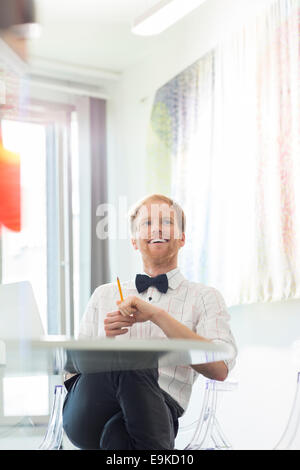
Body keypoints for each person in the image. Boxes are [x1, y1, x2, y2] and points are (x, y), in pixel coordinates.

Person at [62, 194, 237, 450]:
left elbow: (220, 368)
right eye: (146, 224)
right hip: (90, 410)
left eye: (166, 222)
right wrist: (106, 342)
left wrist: (157, 315)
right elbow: (71, 369)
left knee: (119, 436)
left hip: (159, 410)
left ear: (182, 238)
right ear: (134, 240)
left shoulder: (205, 297)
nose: (156, 229)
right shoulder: (104, 294)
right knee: (132, 357)